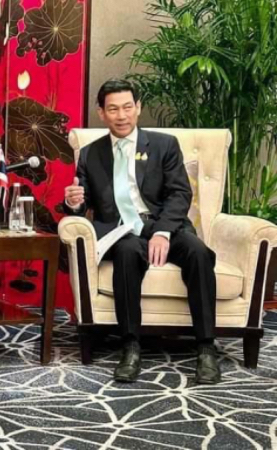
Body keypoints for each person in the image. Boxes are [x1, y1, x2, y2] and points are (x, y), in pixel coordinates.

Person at [64, 79, 220, 384]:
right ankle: (130, 346)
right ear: (101, 113)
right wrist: (74, 203)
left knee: (198, 252)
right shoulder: (91, 154)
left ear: (138, 107)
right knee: (126, 252)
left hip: (165, 224)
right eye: (113, 109)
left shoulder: (164, 145)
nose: (121, 116)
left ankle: (205, 347)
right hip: (121, 230)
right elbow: (82, 205)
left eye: (127, 107)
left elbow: (179, 194)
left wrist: (162, 232)